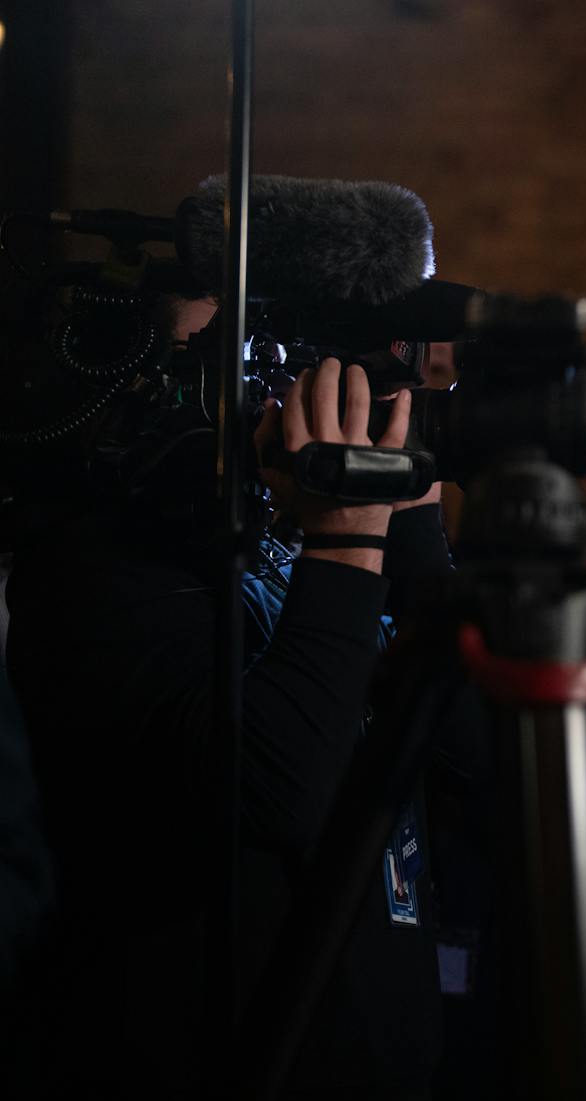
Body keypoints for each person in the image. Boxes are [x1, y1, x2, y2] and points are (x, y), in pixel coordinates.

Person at [5, 292, 452, 1098]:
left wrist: (413, 537)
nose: (280, 397)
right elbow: (274, 790)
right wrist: (349, 533)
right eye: (242, 369)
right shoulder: (91, 575)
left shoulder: (300, 562)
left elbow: (476, 777)